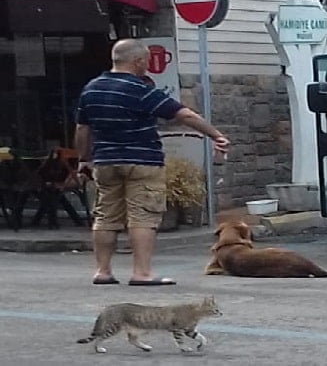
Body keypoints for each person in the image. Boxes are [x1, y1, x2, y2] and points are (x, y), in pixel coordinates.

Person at [74, 39, 230, 286]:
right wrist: (215, 134)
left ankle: (103, 271)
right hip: (142, 161)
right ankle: (141, 273)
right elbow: (183, 114)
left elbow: (82, 128)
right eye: (145, 61)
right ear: (137, 62)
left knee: (105, 216)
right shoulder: (141, 90)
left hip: (105, 162)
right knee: (143, 216)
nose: (147, 66)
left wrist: (83, 159)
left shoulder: (91, 89)